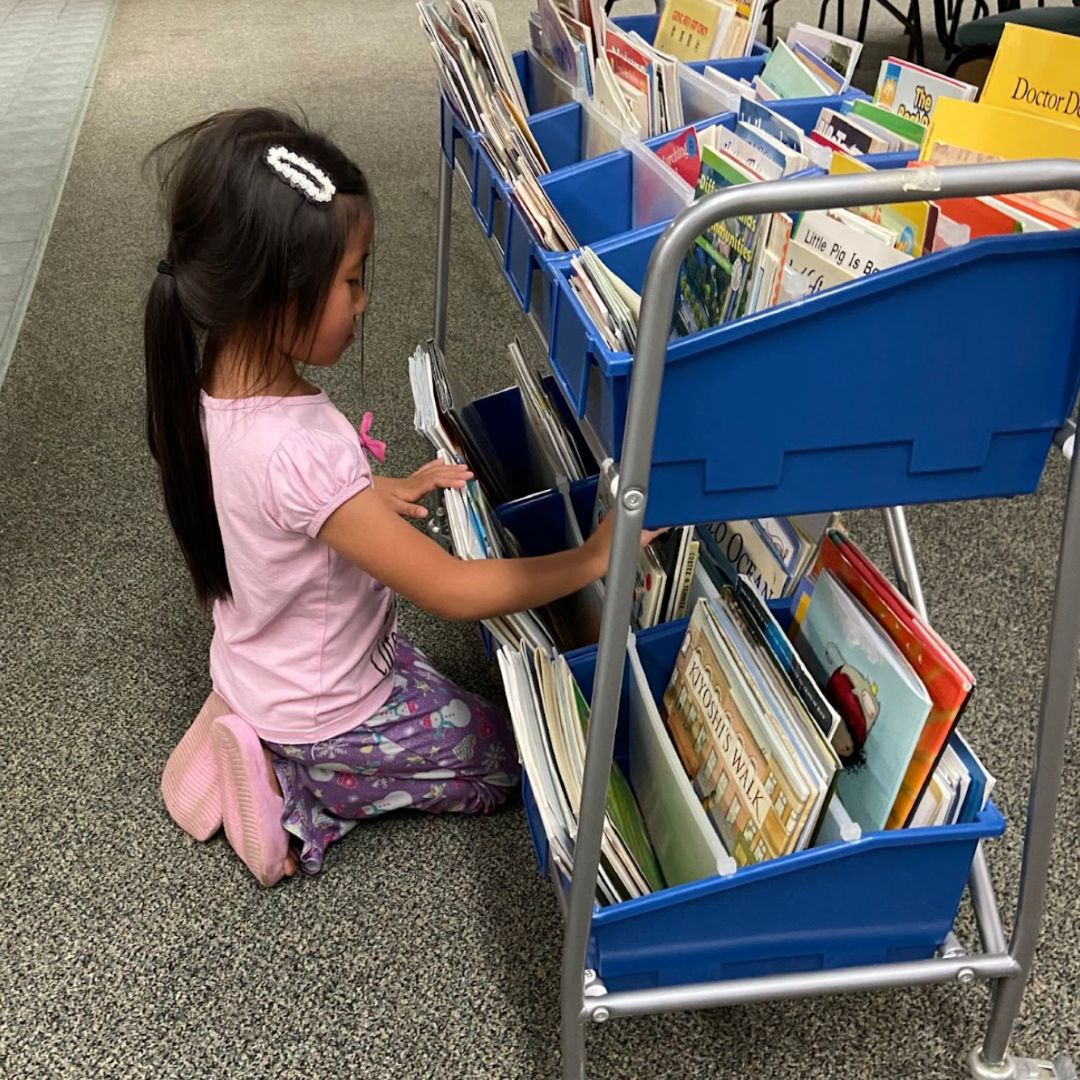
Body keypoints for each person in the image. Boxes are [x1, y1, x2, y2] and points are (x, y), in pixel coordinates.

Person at [145, 108, 649, 887]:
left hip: (267, 658)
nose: (365, 301)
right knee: (503, 765)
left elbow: (277, 505)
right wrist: (589, 556)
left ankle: (245, 716)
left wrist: (374, 489)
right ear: (280, 296)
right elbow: (448, 590)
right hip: (329, 707)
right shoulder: (305, 443)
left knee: (429, 687)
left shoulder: (208, 385)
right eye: (351, 280)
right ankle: (291, 795)